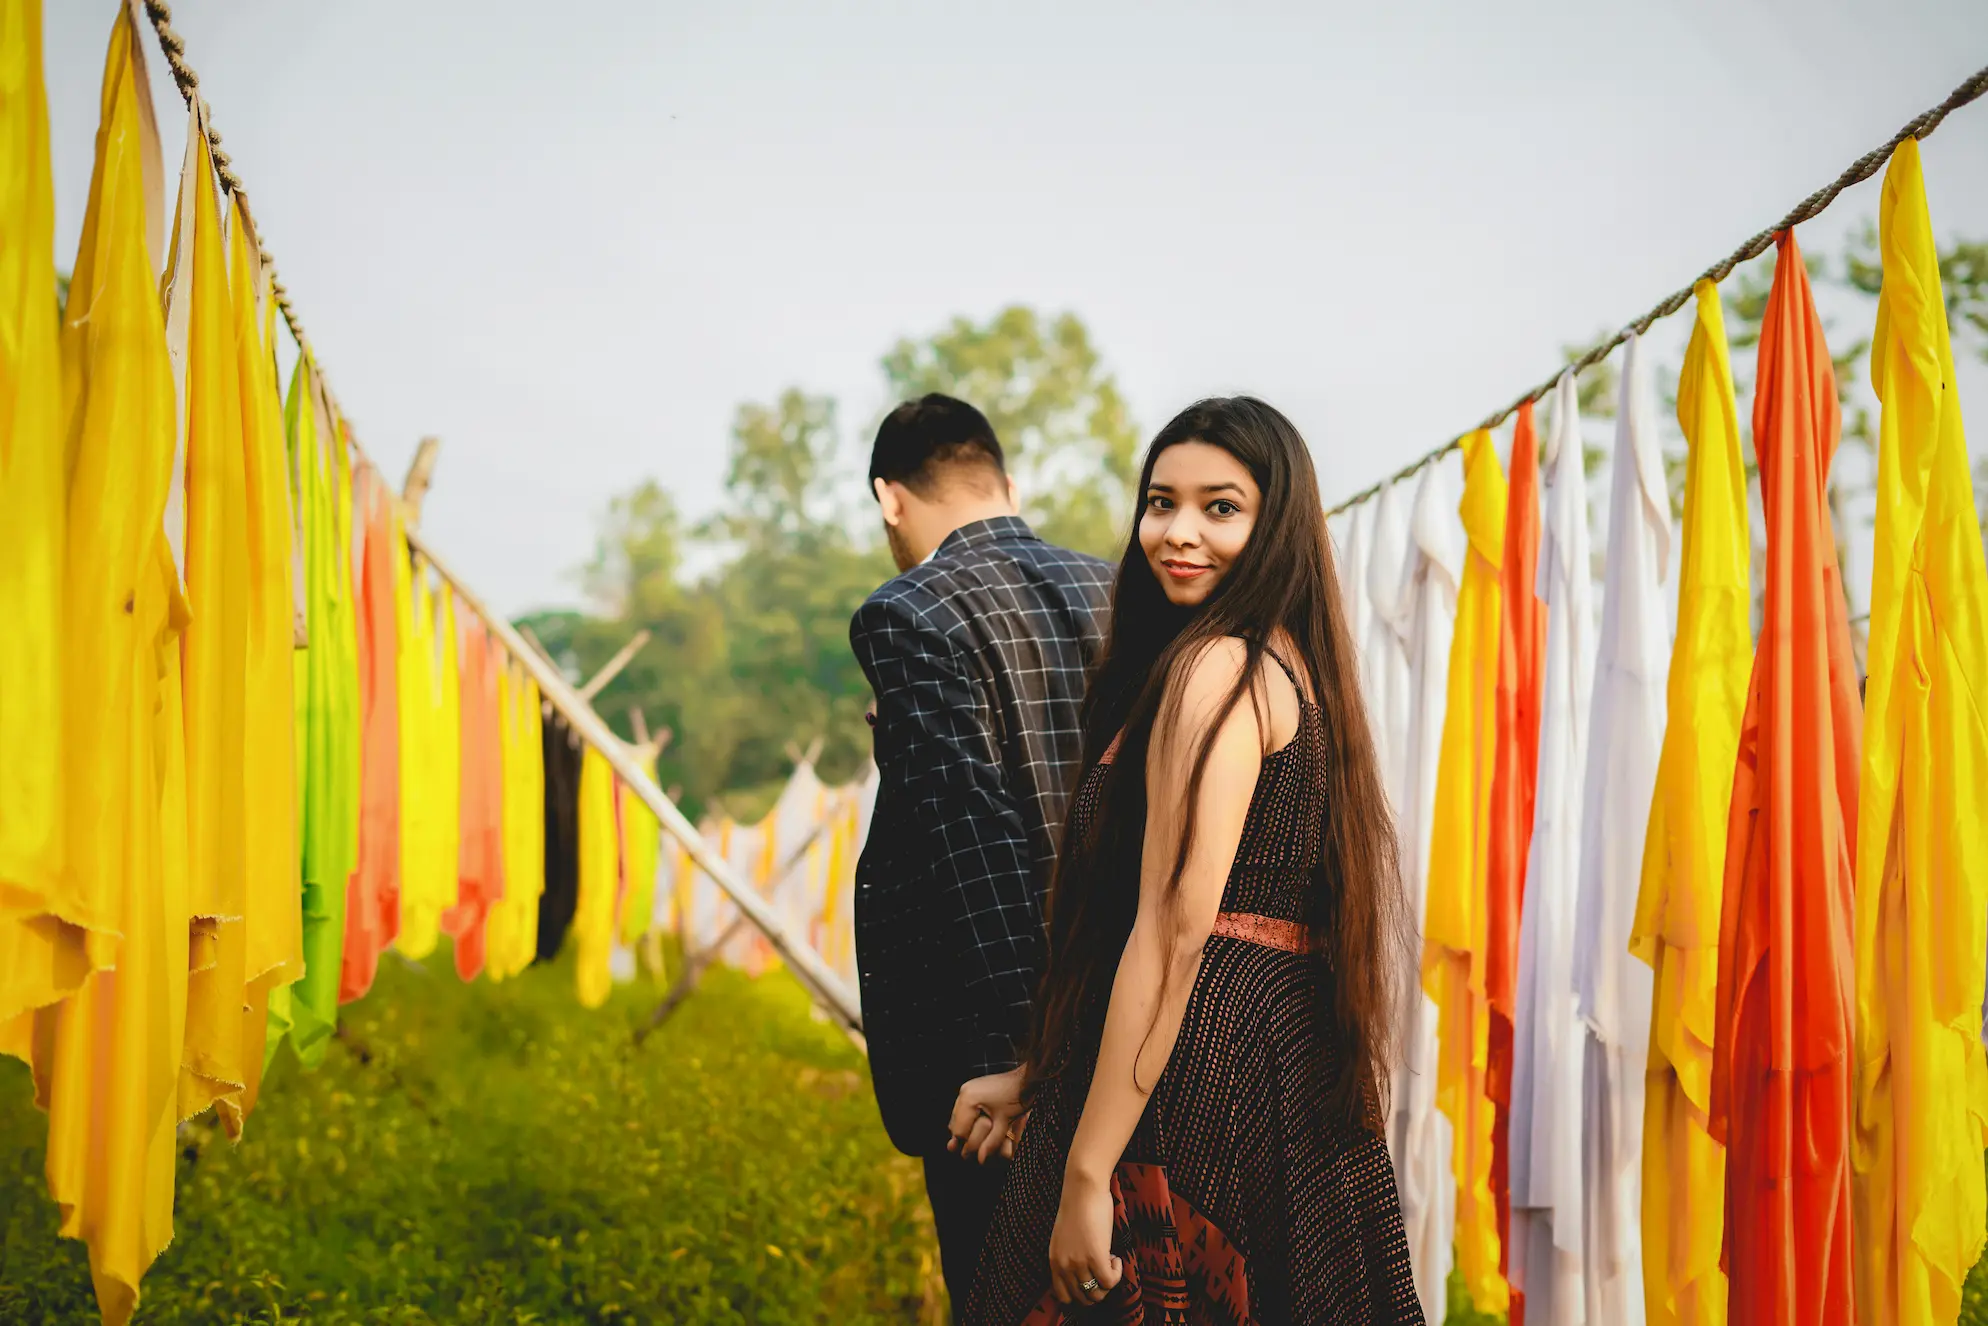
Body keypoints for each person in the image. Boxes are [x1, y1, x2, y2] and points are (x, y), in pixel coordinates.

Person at [953, 397, 1426, 1324]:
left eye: (1221, 508)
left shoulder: (1219, 669)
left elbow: (1174, 935)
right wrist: (1044, 1076)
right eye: (1161, 502)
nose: (1178, 533)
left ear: (1275, 523)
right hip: (1260, 1066)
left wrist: (1086, 1176)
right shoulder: (1276, 660)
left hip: (1204, 1084)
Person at [850, 393, 1114, 1319]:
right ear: (1007, 481)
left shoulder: (909, 613)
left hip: (995, 1067)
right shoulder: (1118, 587)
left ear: (891, 498)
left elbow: (978, 848)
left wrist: (1024, 1069)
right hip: (1131, 1033)